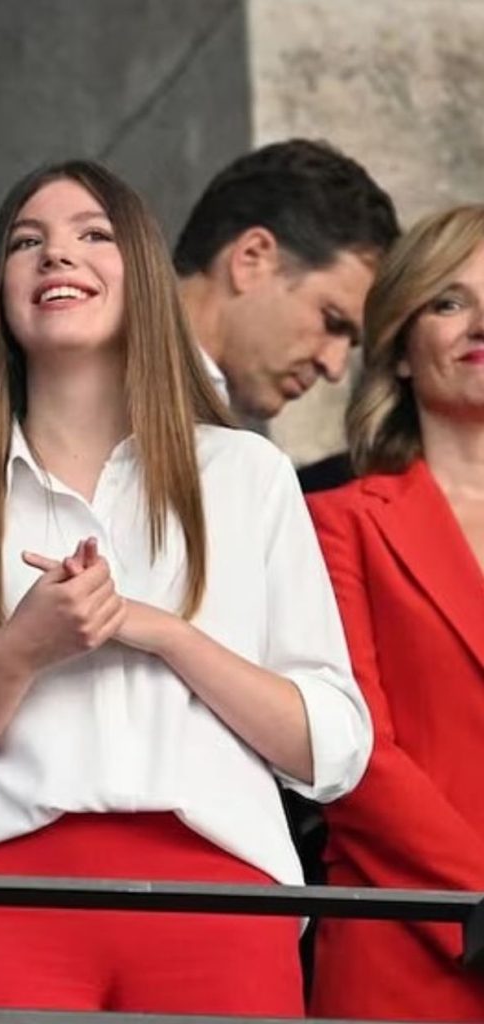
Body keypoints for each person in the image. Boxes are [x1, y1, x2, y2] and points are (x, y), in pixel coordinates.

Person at [0, 159, 372, 1015]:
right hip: (3, 905)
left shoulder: (247, 476)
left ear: (141, 272)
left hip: (224, 898)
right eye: (28, 243)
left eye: (93, 235)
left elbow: (332, 749)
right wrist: (18, 652)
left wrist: (158, 629)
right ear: (4, 292)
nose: (58, 256)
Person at [308, 205, 484, 1021]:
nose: (480, 320)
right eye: (449, 301)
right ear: (403, 350)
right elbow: (359, 760)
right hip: (405, 954)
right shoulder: (340, 520)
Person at [174, 139, 399, 424]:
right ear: (251, 259)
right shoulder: (107, 386)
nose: (334, 367)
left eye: (351, 343)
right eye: (332, 321)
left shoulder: (232, 452)